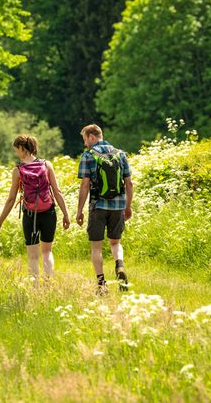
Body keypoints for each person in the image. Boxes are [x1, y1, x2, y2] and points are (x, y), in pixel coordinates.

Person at [0, 135, 71, 284]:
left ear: (21, 148)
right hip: (49, 213)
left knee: (33, 256)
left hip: (30, 215)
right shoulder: (47, 165)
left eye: (17, 150)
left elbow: (11, 199)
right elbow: (57, 192)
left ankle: (35, 288)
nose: (17, 154)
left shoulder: (18, 170)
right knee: (47, 252)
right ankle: (49, 283)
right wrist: (66, 214)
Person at [75, 124, 133, 295]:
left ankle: (102, 285)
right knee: (115, 242)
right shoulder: (120, 154)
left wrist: (79, 210)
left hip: (97, 206)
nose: (85, 144)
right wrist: (128, 206)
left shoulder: (88, 155)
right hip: (118, 207)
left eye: (85, 139)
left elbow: (85, 184)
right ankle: (120, 264)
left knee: (96, 248)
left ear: (92, 137)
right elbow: (129, 183)